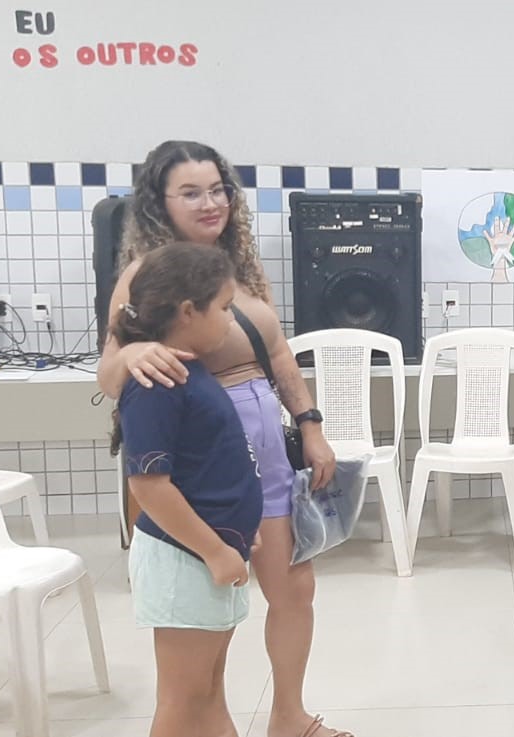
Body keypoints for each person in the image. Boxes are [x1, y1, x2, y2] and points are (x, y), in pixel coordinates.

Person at [99, 140, 347, 737]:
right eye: (191, 193)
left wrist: (310, 424)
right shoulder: (149, 276)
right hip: (203, 457)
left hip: (264, 445)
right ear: (159, 203)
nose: (210, 203)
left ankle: (289, 716)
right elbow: (109, 372)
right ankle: (210, 717)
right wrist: (131, 353)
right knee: (210, 612)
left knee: (294, 587)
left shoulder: (238, 266)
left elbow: (279, 354)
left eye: (218, 190)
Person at [113, 243, 258, 737]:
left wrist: (237, 532)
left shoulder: (189, 367)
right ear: (188, 311)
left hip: (209, 553)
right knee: (183, 698)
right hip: (185, 559)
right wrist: (215, 550)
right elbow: (148, 485)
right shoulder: (156, 381)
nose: (231, 321)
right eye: (225, 307)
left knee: (209, 691)